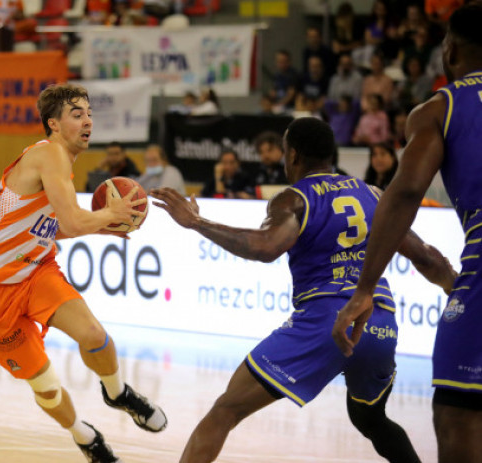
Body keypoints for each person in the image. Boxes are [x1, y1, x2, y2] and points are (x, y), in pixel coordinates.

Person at [151, 117, 456, 463]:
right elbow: (428, 258)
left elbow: (264, 247)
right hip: (379, 321)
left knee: (226, 409)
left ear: (293, 155)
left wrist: (196, 222)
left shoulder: (294, 199)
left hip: (326, 321)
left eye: (284, 153)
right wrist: (460, 294)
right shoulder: (373, 194)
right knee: (371, 419)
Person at [0, 83, 167, 463]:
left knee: (94, 335)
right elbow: (72, 223)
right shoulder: (49, 154)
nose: (88, 120)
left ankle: (117, 392)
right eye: (77, 114)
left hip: (36, 272)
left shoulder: (59, 160)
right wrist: (112, 214)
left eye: (89, 113)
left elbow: (51, 226)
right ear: (53, 124)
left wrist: (103, 226)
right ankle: (84, 436)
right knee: (47, 387)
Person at [333, 5, 482, 461]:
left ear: (449, 50)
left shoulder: (443, 106)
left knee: (460, 411)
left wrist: (364, 289)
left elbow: (404, 193)